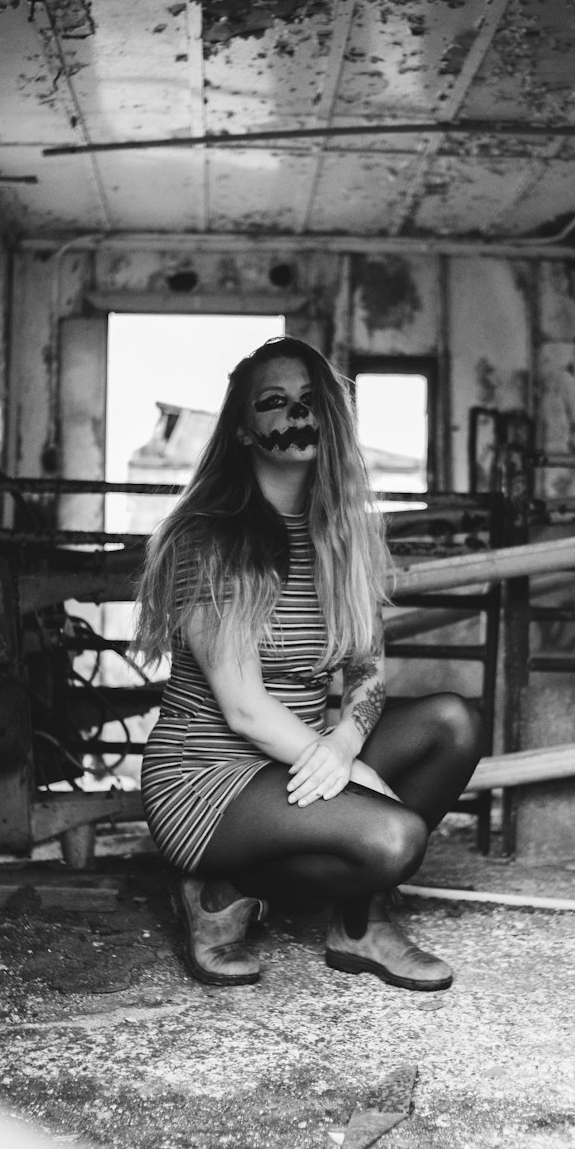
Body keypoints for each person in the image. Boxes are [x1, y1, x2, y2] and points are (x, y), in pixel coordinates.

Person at [133, 337, 485, 993]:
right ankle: (218, 886)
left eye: (309, 400)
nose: (296, 415)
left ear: (330, 416)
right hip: (209, 776)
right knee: (394, 839)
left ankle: (357, 926)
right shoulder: (212, 536)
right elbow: (242, 709)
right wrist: (353, 778)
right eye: (273, 403)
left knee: (456, 723)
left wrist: (348, 742)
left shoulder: (339, 534)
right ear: (243, 429)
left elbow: (366, 668)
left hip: (295, 761)